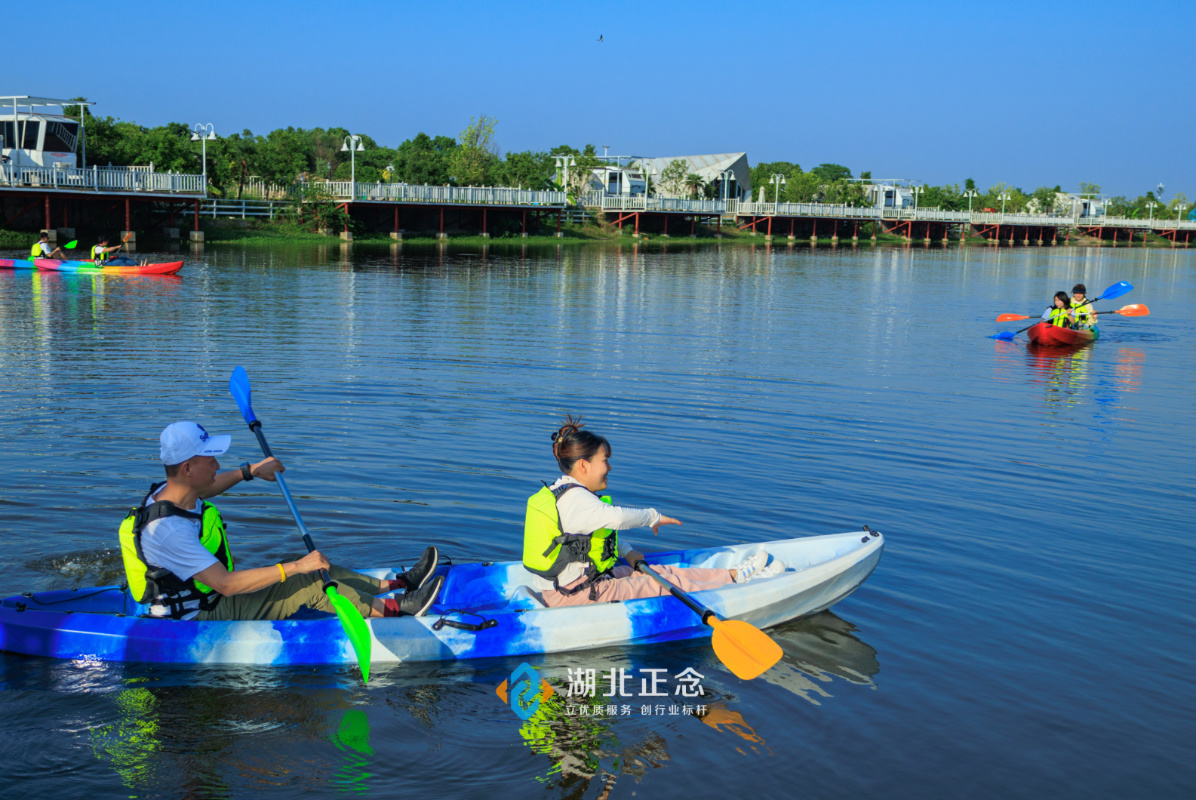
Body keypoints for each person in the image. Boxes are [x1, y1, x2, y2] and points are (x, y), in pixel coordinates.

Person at [118, 421, 444, 621]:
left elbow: (211, 484)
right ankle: (398, 609)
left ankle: (396, 585)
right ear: (188, 468)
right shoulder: (168, 532)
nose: (218, 463)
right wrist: (297, 569)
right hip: (200, 615)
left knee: (301, 564)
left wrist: (251, 471)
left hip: (209, 596)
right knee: (306, 580)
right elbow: (227, 585)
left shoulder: (172, 490)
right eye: (210, 458)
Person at [523, 416, 785, 608]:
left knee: (662, 573)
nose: (610, 468)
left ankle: (733, 576)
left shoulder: (564, 492)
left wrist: (626, 551)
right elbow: (616, 518)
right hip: (575, 595)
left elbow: (590, 535)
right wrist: (653, 517)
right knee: (656, 584)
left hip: (581, 584)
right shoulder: (576, 499)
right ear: (583, 465)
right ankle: (745, 589)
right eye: (605, 461)